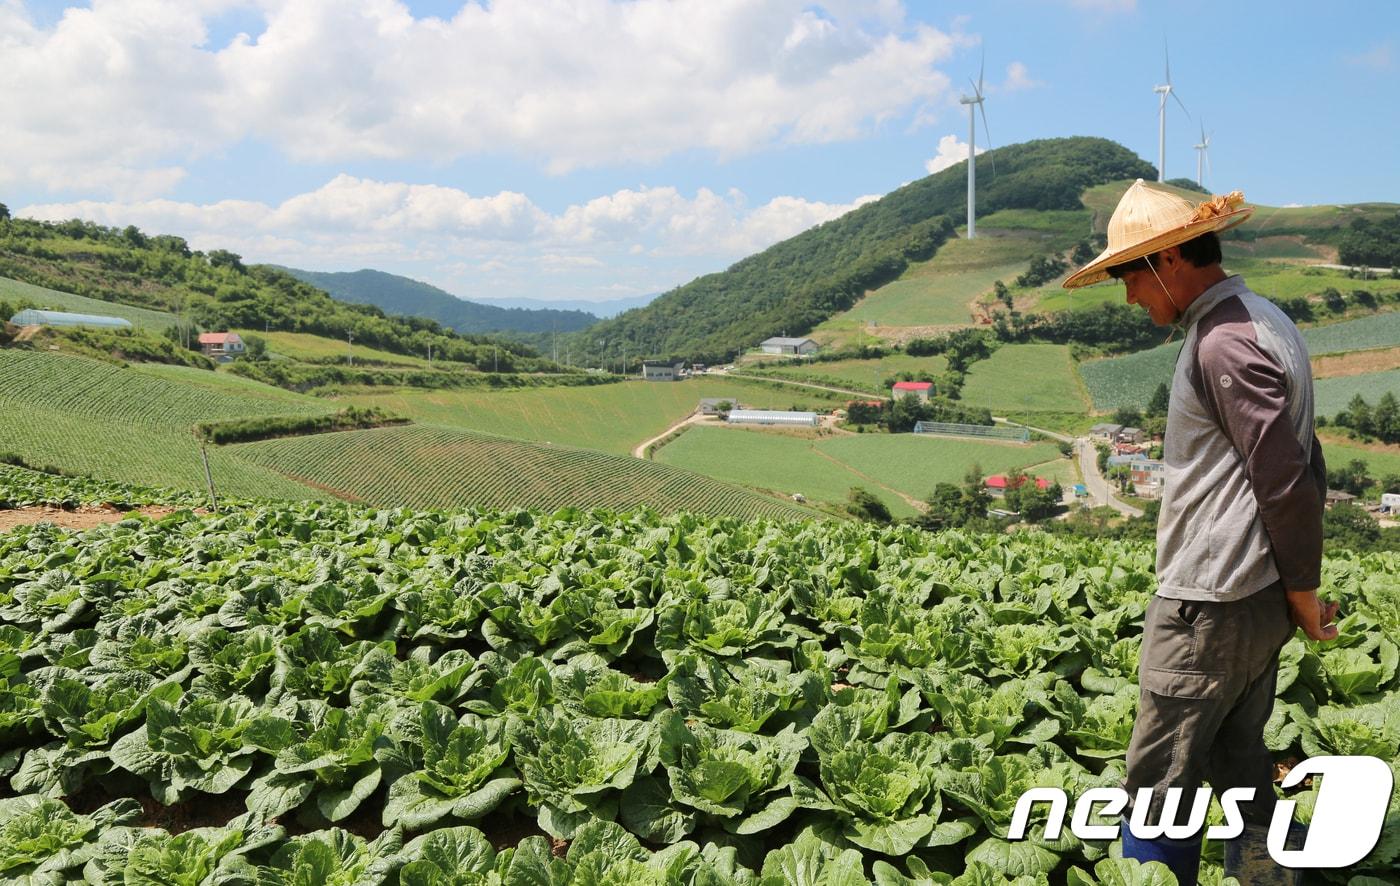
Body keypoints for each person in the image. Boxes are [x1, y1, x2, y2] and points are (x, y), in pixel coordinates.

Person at [1062, 180, 1339, 884]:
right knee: (1238, 763)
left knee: (1158, 784)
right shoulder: (1266, 320)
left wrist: (1304, 592)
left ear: (1170, 263)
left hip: (1209, 602)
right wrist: (1289, 587)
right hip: (1253, 595)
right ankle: (1272, 877)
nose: (1129, 296)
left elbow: (1283, 478)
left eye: (1130, 275)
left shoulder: (1223, 343)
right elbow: (1307, 460)